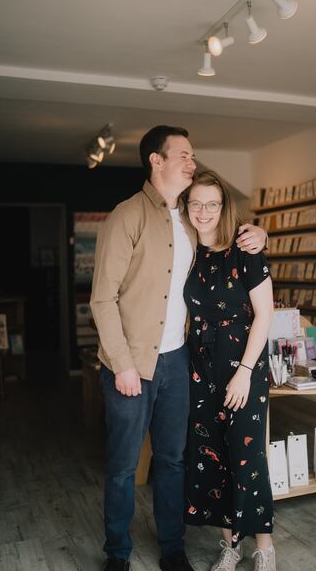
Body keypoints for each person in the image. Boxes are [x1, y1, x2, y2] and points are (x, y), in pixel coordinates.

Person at [90, 125, 268, 571]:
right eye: (183, 155)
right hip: (130, 364)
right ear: (156, 160)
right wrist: (124, 365)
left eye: (193, 156)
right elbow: (101, 298)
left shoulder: (192, 219)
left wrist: (256, 236)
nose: (192, 162)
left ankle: (173, 549)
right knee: (124, 466)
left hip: (178, 362)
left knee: (172, 461)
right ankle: (117, 554)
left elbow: (227, 234)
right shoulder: (126, 215)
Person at [181, 170, 275, 571]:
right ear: (187, 206)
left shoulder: (245, 248)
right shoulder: (184, 248)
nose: (204, 212)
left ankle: (264, 547)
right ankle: (229, 545)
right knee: (211, 455)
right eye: (196, 203)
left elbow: (265, 313)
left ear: (224, 207)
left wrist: (245, 371)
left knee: (246, 456)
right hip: (199, 364)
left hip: (243, 363)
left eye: (212, 204)